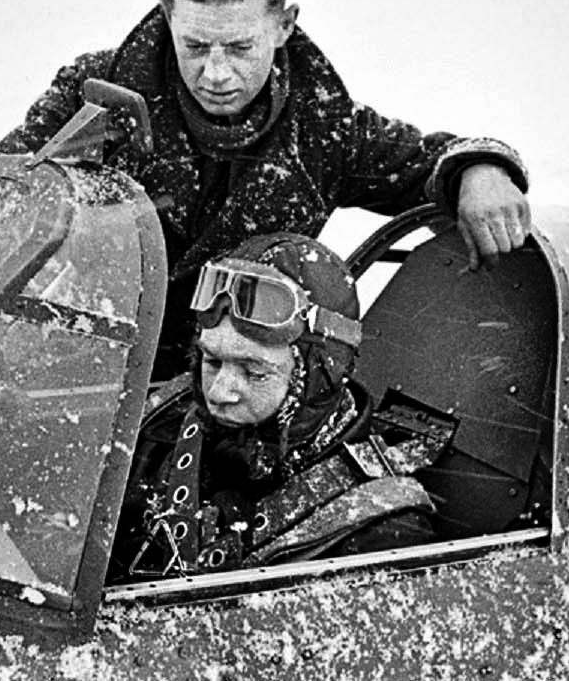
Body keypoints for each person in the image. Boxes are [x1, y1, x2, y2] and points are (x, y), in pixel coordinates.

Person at [0, 0, 531, 376]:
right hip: (80, 381)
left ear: (284, 26)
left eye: (240, 47)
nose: (217, 72)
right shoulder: (92, 96)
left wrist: (480, 170)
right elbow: (4, 197)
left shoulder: (325, 128)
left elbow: (426, 163)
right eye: (196, 46)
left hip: (227, 396)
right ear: (167, 18)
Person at [110, 233, 456, 579]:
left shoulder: (378, 534)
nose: (218, 392)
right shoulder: (157, 424)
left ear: (316, 377)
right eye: (212, 361)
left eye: (254, 372)